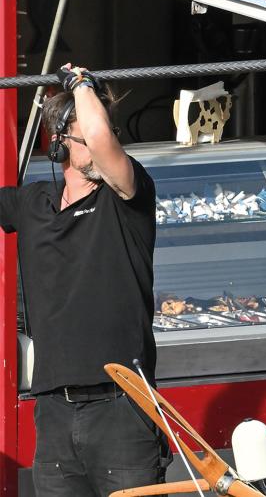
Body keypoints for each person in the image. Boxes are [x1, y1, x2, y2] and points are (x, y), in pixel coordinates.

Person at [0, 65, 169, 496]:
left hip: (122, 408)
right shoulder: (32, 202)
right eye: (85, 135)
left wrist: (82, 85)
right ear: (57, 145)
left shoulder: (126, 196)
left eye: (106, 133)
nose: (101, 142)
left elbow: (100, 141)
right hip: (54, 411)